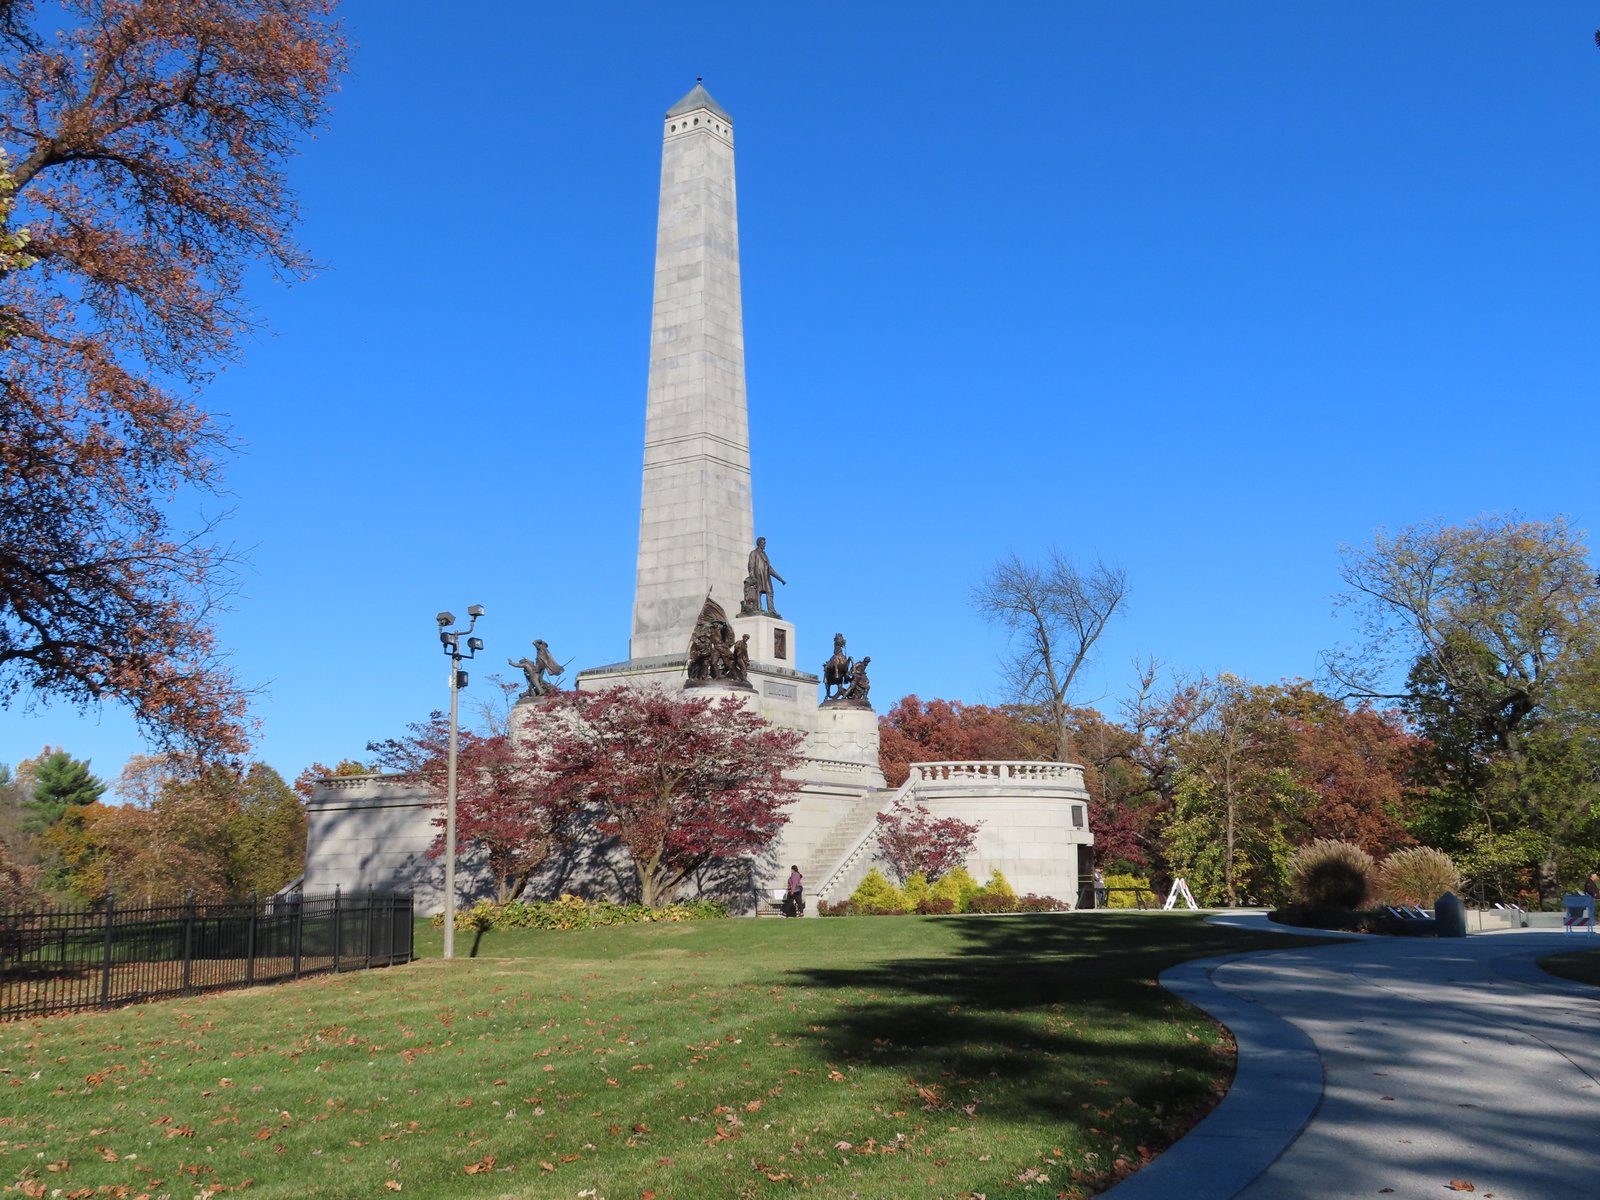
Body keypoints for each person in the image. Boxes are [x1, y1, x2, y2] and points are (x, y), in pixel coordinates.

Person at [747, 537, 785, 617]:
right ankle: (758, 608)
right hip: (758, 576)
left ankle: (772, 610)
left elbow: (769, 568)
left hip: (766, 577)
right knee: (758, 592)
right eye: (763, 543)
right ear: (759, 543)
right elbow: (751, 566)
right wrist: (752, 577)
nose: (764, 544)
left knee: (770, 592)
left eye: (765, 543)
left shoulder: (765, 555)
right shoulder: (754, 553)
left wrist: (780, 579)